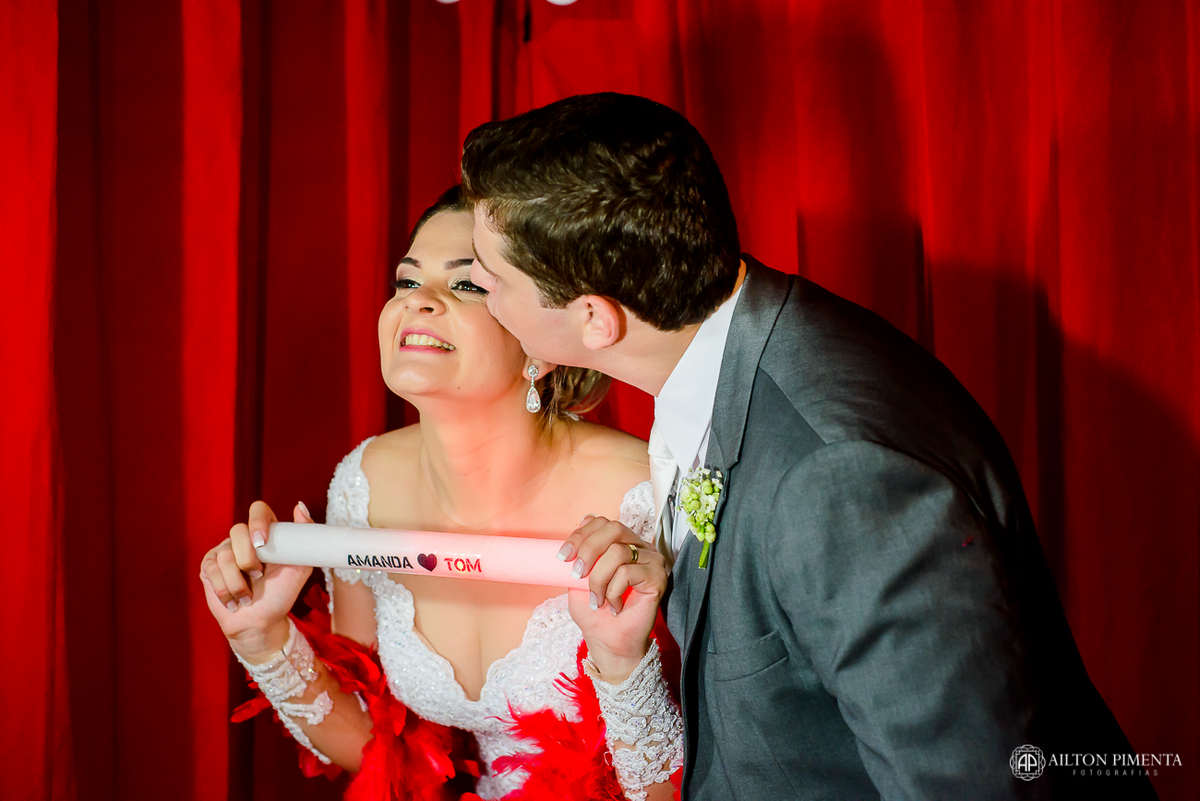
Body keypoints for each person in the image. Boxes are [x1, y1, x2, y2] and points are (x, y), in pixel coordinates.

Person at [459, 93, 1159, 800]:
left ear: (594, 318)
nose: (482, 295)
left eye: (493, 279)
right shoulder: (739, 347)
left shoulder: (838, 476)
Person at [199, 187, 682, 801]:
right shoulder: (364, 483)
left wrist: (624, 667)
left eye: (467, 285)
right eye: (406, 281)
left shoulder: (646, 494)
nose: (417, 301)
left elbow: (722, 762)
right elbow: (380, 753)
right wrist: (261, 638)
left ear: (541, 338)